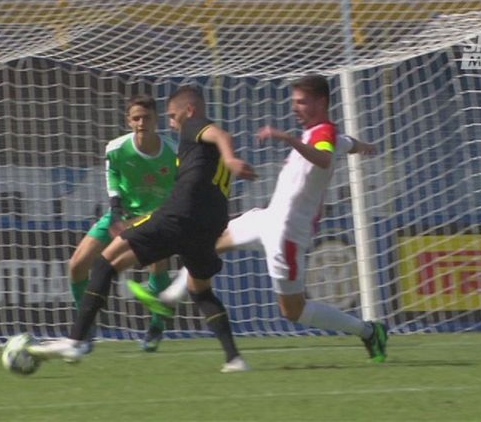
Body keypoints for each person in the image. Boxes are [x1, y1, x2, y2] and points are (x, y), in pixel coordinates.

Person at [129, 75, 389, 363]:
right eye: (294, 102)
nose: (295, 108)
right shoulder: (327, 135)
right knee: (208, 242)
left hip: (287, 233)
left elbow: (324, 158)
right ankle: (167, 300)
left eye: (301, 102)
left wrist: (287, 138)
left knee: (293, 311)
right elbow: (345, 143)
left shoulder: (323, 133)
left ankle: (369, 331)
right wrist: (362, 146)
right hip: (269, 219)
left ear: (321, 102)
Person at [26, 86, 258, 372]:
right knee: (201, 291)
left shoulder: (193, 126)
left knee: (106, 262)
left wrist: (231, 158)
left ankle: (77, 340)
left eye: (172, 116)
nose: (171, 123)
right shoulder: (198, 151)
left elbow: (221, 135)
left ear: (189, 111)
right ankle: (235, 359)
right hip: (208, 227)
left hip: (178, 216)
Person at [68, 94, 178, 352]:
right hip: (121, 214)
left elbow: (181, 188)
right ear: (128, 121)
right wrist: (116, 210)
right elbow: (113, 176)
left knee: (157, 266)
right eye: (136, 118)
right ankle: (86, 326)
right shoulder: (116, 148)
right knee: (77, 265)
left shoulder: (173, 152)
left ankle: (156, 327)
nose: (141, 123)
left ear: (156, 119)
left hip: (155, 218)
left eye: (146, 118)